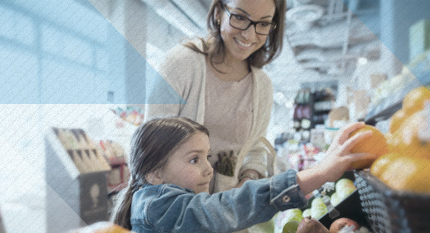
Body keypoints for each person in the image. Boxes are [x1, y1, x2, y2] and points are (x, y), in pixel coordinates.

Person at [109, 117, 372, 232]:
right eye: (193, 159)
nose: (208, 169)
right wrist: (319, 173)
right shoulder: (157, 205)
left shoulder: (161, 204)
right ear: (154, 173)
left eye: (206, 157)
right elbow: (228, 207)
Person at [145, 0, 286, 194]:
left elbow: (256, 147)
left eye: (263, 23)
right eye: (239, 17)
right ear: (219, 12)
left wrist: (248, 179)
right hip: (175, 207)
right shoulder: (181, 64)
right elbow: (151, 146)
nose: (249, 34)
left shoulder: (262, 85)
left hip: (228, 214)